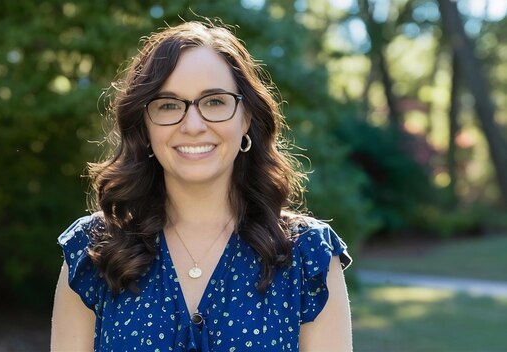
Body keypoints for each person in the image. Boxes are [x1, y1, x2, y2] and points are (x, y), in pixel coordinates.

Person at [51, 20, 352, 352]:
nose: (193, 125)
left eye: (214, 102)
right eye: (168, 105)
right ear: (145, 125)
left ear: (246, 118)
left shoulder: (307, 255)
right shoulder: (93, 250)